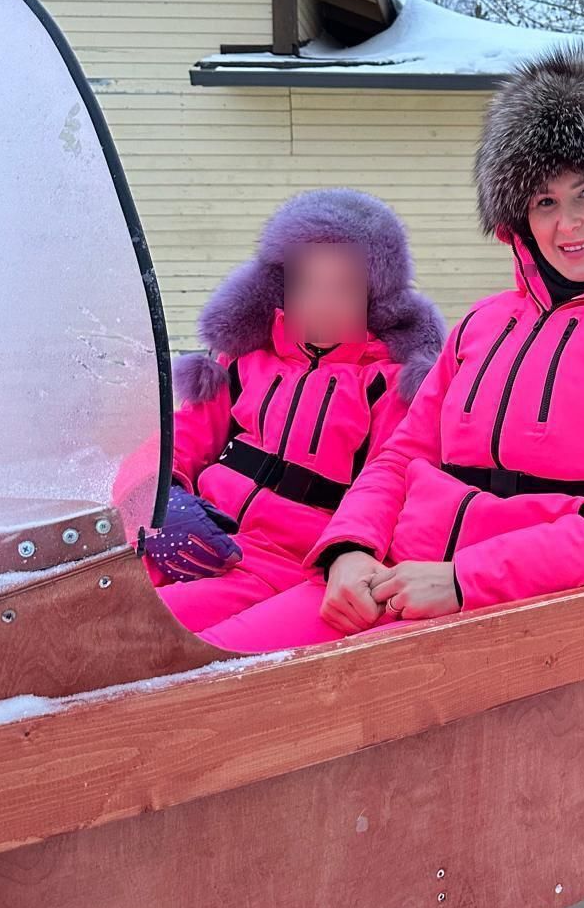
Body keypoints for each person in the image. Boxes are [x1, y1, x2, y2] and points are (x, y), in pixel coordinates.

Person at [197, 46, 584, 653]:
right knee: (194, 675)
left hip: (532, 615)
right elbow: (402, 456)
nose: (567, 224)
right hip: (394, 581)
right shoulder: (486, 322)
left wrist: (465, 580)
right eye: (544, 201)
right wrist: (350, 550)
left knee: (231, 719)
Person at [146, 189, 445, 634]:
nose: (322, 302)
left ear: (375, 298)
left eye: (342, 287)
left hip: (287, 567)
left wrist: (347, 551)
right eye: (307, 283)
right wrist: (162, 498)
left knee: (151, 634)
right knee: (89, 614)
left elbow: (392, 479)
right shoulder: (243, 362)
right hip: (201, 534)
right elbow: (181, 438)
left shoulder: (386, 386)